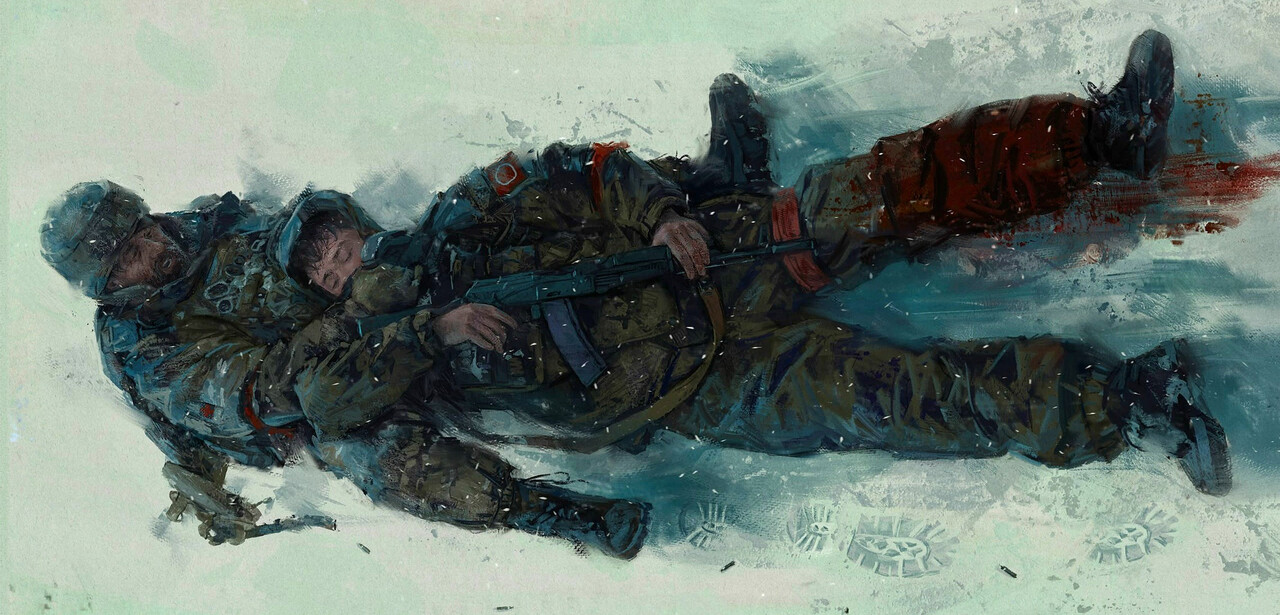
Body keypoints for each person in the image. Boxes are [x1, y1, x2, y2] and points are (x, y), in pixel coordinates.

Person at [39, 30, 1229, 559]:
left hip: (705, 260)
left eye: (336, 241)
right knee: (905, 398)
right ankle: (1132, 398)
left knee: (869, 191)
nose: (337, 261)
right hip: (682, 382)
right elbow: (307, 397)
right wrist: (423, 337)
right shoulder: (363, 362)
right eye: (323, 268)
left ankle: (1096, 137)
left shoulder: (440, 223)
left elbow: (563, 171)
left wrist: (660, 209)